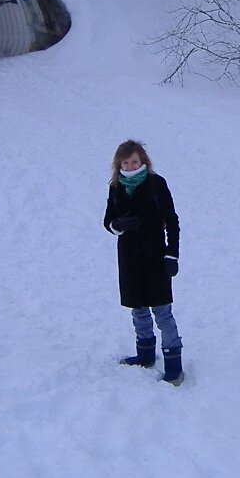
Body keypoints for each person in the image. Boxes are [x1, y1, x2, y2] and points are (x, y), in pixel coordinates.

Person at [103, 140, 184, 385]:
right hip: (128, 258)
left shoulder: (156, 184)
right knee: (138, 309)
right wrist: (118, 226)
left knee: (162, 312)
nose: (129, 166)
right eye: (125, 162)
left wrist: (172, 255)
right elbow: (107, 221)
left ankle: (174, 366)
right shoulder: (116, 187)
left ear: (143, 162)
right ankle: (145, 355)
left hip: (155, 257)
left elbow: (172, 221)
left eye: (134, 161)